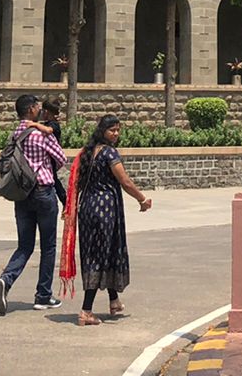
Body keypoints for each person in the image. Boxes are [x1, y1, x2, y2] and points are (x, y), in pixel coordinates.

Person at [0, 93, 67, 315]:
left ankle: (6, 279)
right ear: (32, 109)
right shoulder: (40, 134)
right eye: (36, 106)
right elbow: (61, 159)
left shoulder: (16, 134)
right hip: (43, 193)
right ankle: (43, 295)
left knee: (24, 245)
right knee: (48, 246)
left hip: (22, 195)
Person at [74, 114, 152, 326]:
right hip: (105, 210)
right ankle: (86, 311)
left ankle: (114, 301)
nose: (116, 134)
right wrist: (142, 199)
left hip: (88, 208)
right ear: (102, 131)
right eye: (112, 130)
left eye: (118, 130)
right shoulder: (109, 153)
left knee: (102, 252)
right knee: (101, 255)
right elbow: (125, 181)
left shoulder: (89, 152)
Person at [41, 100, 67, 206]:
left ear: (46, 112)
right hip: (49, 156)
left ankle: (65, 201)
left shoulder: (53, 125)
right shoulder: (49, 123)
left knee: (54, 180)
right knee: (54, 179)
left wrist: (33, 124)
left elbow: (49, 130)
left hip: (52, 157)